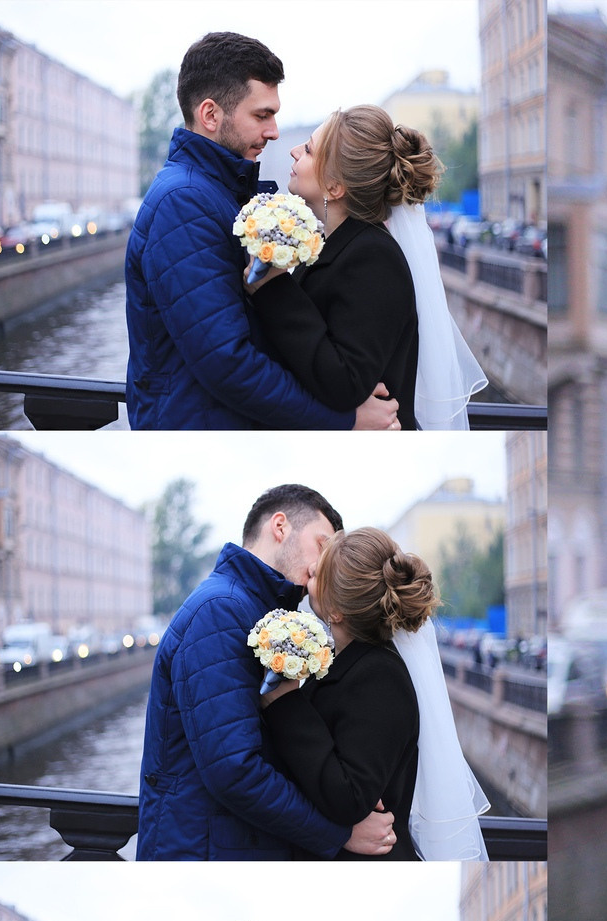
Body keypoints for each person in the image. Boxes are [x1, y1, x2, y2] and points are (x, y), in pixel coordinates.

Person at [125, 32, 398, 430]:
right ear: (211, 115)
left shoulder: (216, 190)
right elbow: (227, 362)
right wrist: (342, 420)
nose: (274, 131)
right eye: (261, 115)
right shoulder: (184, 202)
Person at [137, 485, 396, 859]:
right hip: (205, 849)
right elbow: (234, 770)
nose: (321, 565)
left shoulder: (252, 607)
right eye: (321, 545)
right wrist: (337, 833)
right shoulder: (221, 611)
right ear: (280, 526)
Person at [246, 105, 489, 430]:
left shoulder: (373, 258)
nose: (293, 152)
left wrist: (270, 285)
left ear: (334, 186)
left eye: (307, 149)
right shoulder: (331, 243)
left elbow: (346, 381)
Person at [260, 527, 447, 860]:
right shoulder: (348, 660)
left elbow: (349, 796)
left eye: (318, 575)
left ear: (336, 611)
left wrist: (284, 702)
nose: (308, 576)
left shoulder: (380, 676)